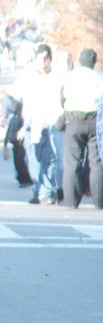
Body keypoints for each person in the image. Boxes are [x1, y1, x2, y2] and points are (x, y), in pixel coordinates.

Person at [10, 44, 64, 205]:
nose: (43, 61)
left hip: (51, 124)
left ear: (50, 60)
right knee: (34, 159)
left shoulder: (58, 78)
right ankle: (38, 189)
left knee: (49, 160)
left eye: (46, 58)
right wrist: (17, 125)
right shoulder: (26, 77)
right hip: (31, 124)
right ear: (35, 59)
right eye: (40, 58)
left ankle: (46, 192)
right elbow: (15, 100)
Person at [59, 48, 103, 209]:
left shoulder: (72, 77)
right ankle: (99, 202)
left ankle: (70, 201)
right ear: (94, 62)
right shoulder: (99, 76)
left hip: (74, 120)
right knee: (96, 161)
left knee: (72, 161)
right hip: (95, 120)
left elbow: (62, 97)